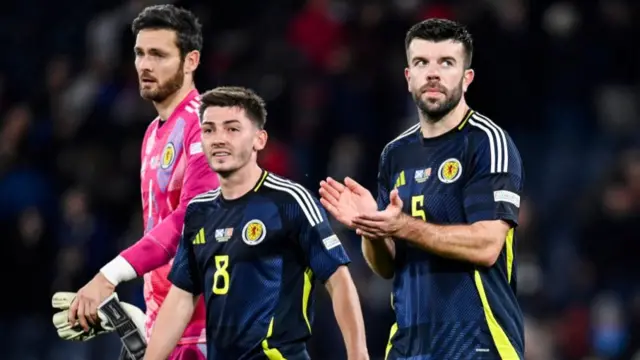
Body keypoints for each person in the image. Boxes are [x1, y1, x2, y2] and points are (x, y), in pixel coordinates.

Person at [319, 19, 525, 359]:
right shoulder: (395, 154)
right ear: (408, 77)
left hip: (478, 343)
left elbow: (487, 245)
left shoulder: (487, 143)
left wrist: (403, 226)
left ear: (467, 77)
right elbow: (386, 266)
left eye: (446, 63)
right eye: (421, 63)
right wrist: (371, 227)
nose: (433, 73)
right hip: (408, 346)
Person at [144, 86, 369, 360]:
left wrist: (358, 355)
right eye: (209, 130)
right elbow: (181, 299)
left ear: (259, 140)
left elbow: (338, 279)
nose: (218, 139)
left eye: (232, 129)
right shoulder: (198, 212)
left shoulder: (290, 201)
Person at [57, 5, 218, 359]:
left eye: (158, 55)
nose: (145, 65)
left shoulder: (207, 125)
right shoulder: (151, 134)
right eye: (140, 54)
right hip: (168, 331)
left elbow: (192, 220)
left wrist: (108, 276)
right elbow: (156, 234)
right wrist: (146, 325)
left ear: (191, 61)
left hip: (207, 333)